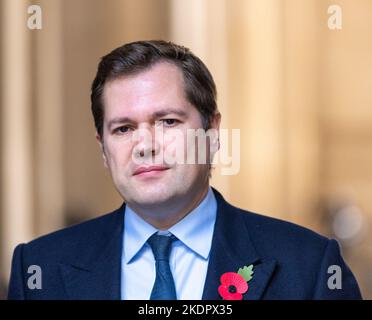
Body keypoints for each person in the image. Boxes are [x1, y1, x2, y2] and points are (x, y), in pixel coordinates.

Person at [8, 40, 362, 300]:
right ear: (103, 149)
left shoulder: (309, 267)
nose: (145, 145)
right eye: (123, 129)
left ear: (212, 133)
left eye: (167, 122)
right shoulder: (39, 270)